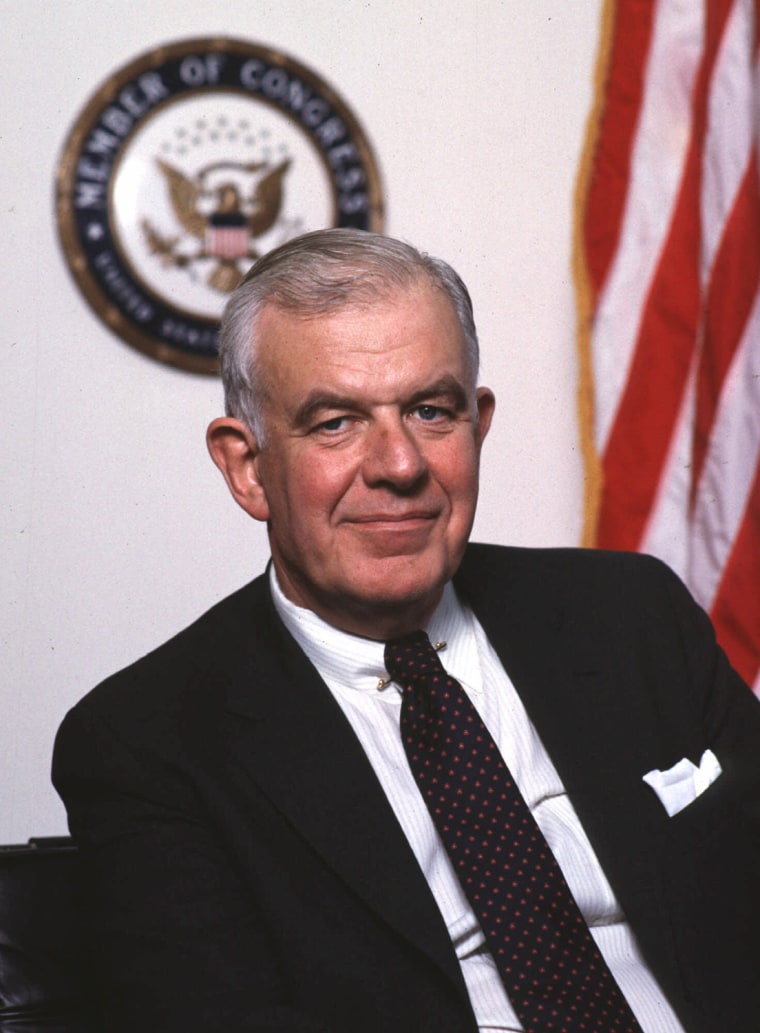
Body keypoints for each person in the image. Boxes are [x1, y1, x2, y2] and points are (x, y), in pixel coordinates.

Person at [53, 229, 760, 1033]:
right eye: (334, 422)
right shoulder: (148, 742)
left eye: (430, 410)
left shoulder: (630, 615)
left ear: (477, 425)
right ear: (247, 468)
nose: (398, 464)